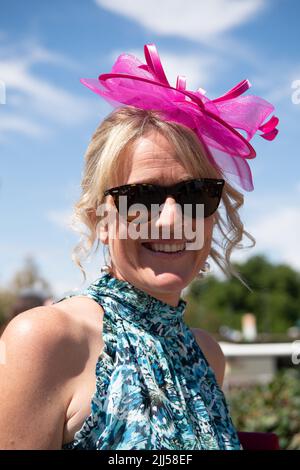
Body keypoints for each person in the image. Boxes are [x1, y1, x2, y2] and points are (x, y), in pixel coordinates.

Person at [0, 44, 278, 450]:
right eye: (141, 198)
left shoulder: (206, 353)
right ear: (101, 220)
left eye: (195, 193)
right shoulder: (46, 340)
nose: (170, 220)